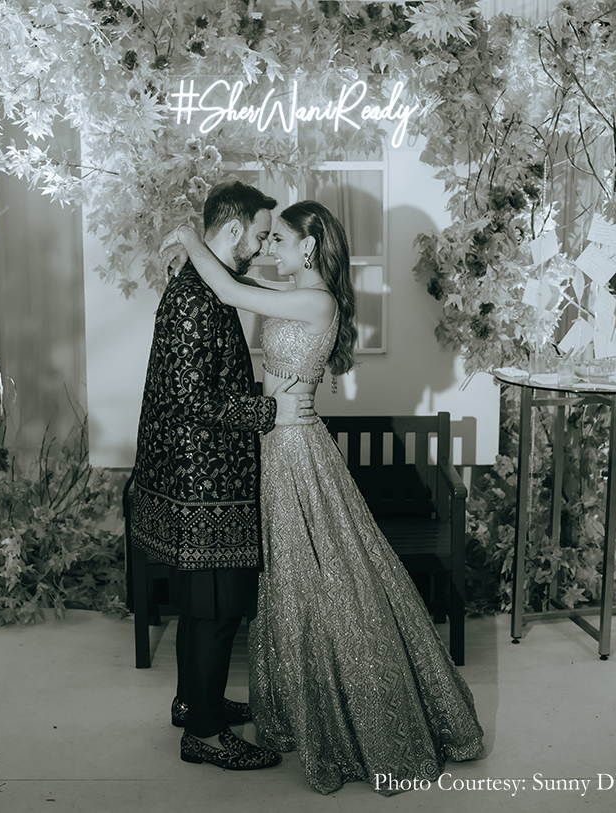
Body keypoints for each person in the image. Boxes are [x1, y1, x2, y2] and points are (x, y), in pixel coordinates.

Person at [162, 200, 485, 795]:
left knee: (326, 580)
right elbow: (237, 285)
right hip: (276, 443)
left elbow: (230, 293)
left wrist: (187, 235)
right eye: (267, 239)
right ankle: (290, 702)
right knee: (292, 579)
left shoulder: (318, 303)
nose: (269, 248)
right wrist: (199, 259)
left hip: (293, 448)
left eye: (279, 239)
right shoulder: (296, 294)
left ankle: (350, 711)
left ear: (308, 247)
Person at [128, 180, 317, 772]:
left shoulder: (204, 288)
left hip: (203, 479)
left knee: (202, 607)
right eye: (259, 235)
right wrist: (270, 411)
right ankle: (205, 736)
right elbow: (191, 399)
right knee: (217, 609)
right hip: (202, 487)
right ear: (233, 229)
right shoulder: (194, 298)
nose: (262, 247)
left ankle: (194, 703)